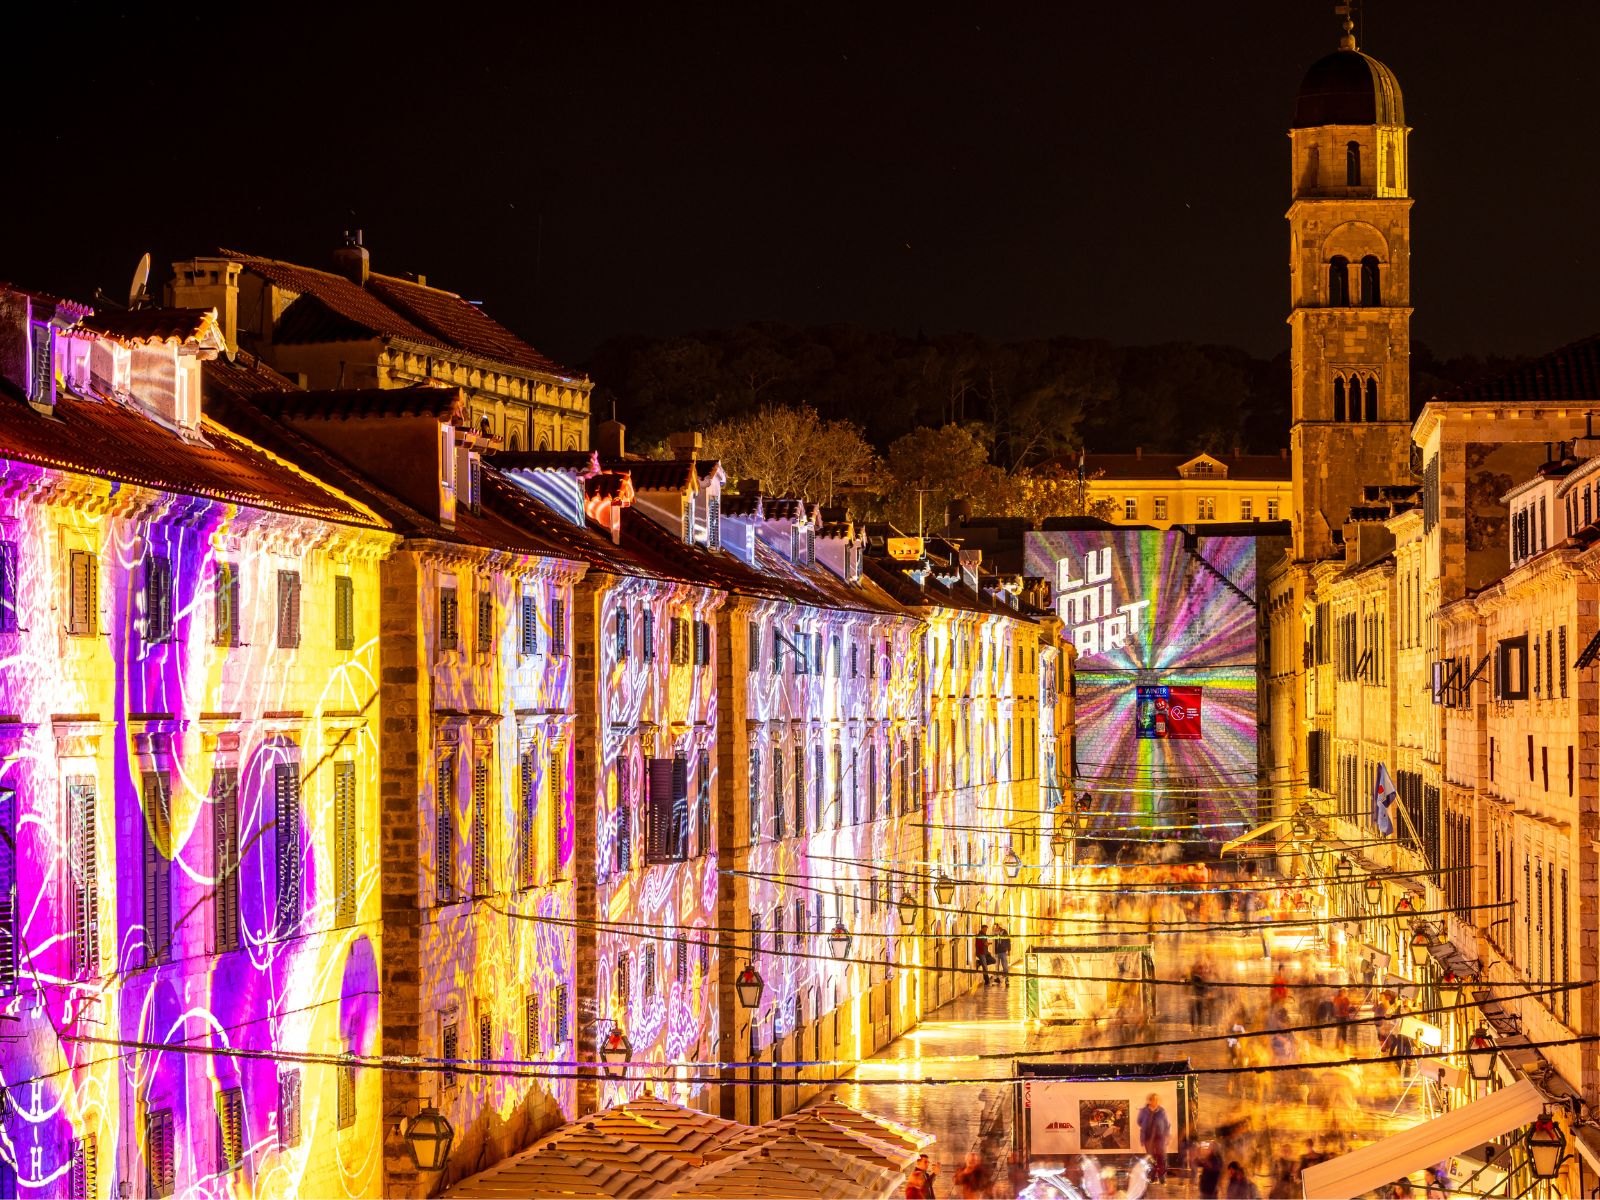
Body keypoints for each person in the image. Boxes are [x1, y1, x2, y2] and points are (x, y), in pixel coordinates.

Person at [1136, 1093, 1171, 1184]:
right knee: (1151, 1158)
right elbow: (1139, 1121)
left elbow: (1167, 1124)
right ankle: (1152, 1176)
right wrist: (1146, 1127)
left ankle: (1161, 1176)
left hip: (1160, 1137)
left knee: (1161, 1157)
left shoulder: (1162, 1110)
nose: (1156, 1101)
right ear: (1150, 1101)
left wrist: (1167, 1134)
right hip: (1148, 1138)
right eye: (1154, 1099)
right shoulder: (1144, 1111)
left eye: (1157, 1100)